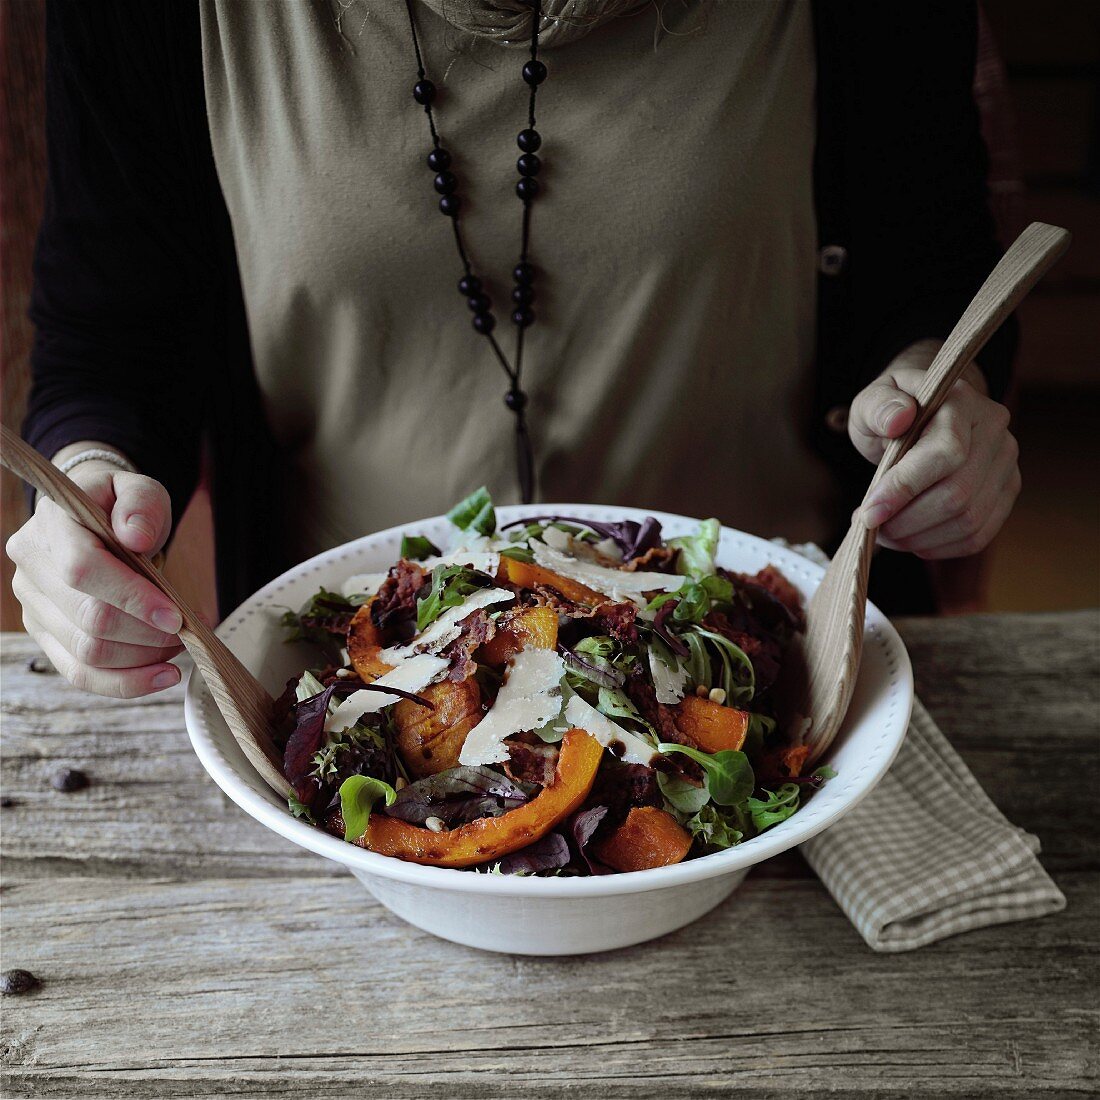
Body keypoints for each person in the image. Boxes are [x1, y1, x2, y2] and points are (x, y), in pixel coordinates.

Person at [8, 0, 1021, 700]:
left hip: (785, 675)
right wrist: (91, 493)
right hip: (349, 685)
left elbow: (928, 266)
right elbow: (112, 340)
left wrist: (942, 396)